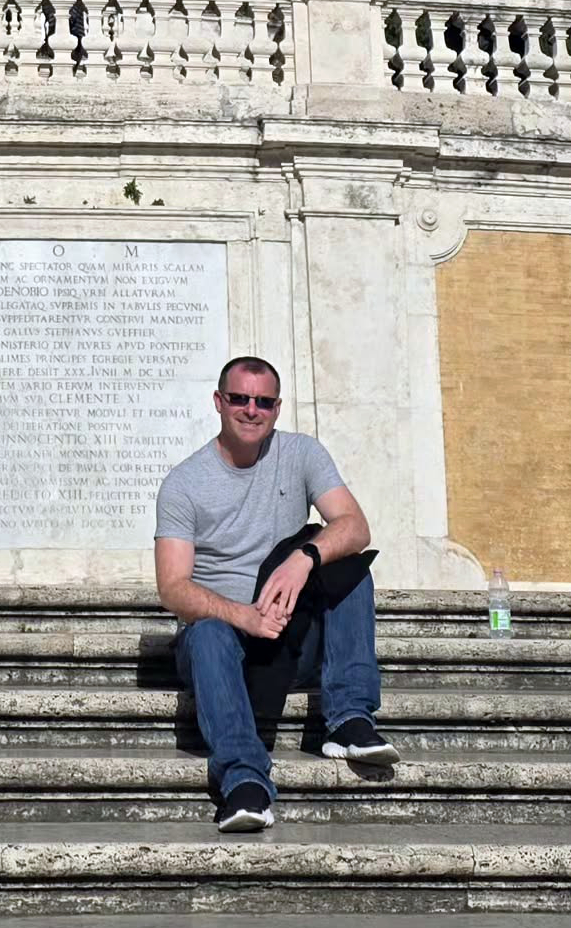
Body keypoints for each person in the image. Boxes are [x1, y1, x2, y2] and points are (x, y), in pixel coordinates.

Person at [154, 356, 393, 835]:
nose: (251, 410)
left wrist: (304, 557)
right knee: (207, 634)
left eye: (263, 402)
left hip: (289, 635)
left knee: (349, 569)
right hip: (224, 648)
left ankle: (349, 719)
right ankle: (245, 781)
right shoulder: (184, 484)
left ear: (277, 408)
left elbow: (355, 526)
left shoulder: (301, 454)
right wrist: (242, 616)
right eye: (240, 398)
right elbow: (173, 588)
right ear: (219, 402)